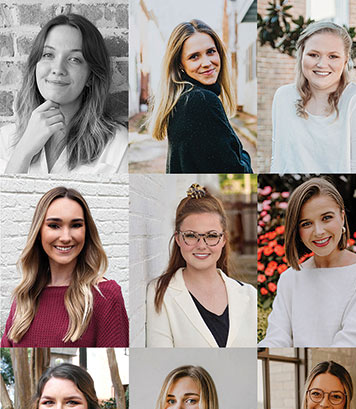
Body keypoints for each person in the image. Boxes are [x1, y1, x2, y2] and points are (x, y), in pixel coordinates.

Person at [259, 177, 356, 347]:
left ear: (341, 216)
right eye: (306, 223)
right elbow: (277, 338)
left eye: (326, 218)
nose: (318, 231)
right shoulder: (290, 278)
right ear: (297, 231)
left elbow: (355, 340)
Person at [2, 186, 128, 347]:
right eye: (54, 225)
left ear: (86, 232)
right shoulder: (25, 297)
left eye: (76, 225)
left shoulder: (106, 295)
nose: (66, 237)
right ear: (39, 232)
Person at [0, 13, 127, 174]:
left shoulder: (117, 146)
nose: (58, 69)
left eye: (74, 59)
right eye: (48, 55)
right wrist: (23, 151)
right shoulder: (5, 140)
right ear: (35, 66)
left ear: (90, 77)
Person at [146, 183, 256, 347]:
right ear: (178, 238)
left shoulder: (250, 295)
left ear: (224, 239)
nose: (201, 245)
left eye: (211, 236)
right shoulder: (160, 292)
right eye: (191, 235)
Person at [271, 21, 356, 173]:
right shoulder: (283, 97)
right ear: (301, 55)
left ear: (345, 60)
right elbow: (278, 160)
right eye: (313, 55)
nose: (322, 64)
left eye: (333, 56)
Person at [149, 19, 252, 173]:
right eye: (194, 57)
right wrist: (245, 157)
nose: (206, 63)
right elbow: (237, 172)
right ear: (180, 64)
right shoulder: (200, 101)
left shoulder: (183, 99)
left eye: (211, 51)